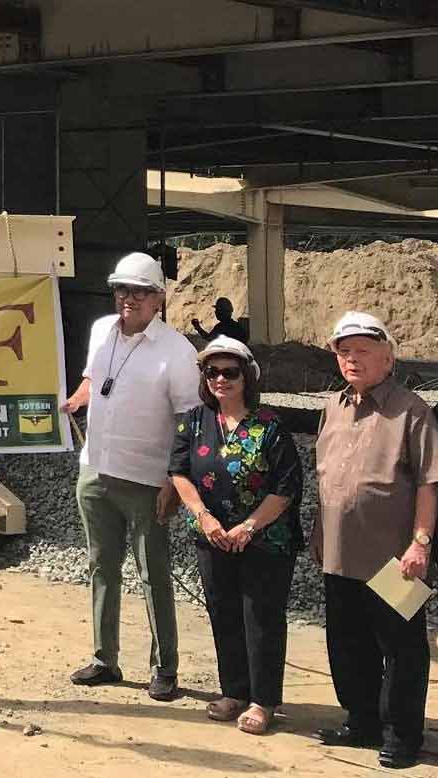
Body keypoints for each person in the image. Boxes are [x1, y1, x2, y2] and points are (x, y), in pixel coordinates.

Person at [59, 250, 200, 699]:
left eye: (140, 291)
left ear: (159, 298)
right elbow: (93, 378)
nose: (129, 298)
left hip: (146, 480)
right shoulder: (102, 331)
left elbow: (189, 421)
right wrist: (75, 400)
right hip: (95, 470)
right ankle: (105, 658)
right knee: (101, 566)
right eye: (122, 289)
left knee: (153, 573)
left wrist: (174, 481)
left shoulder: (177, 351)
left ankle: (165, 668)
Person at [313, 311, 438, 769]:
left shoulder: (412, 411)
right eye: (344, 351)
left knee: (402, 648)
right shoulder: (333, 407)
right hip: (339, 552)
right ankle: (361, 721)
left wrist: (420, 543)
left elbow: (429, 482)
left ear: (387, 358)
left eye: (363, 351)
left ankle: (403, 734)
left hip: (394, 560)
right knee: (348, 644)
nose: (352, 359)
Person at [167, 338, 304, 735]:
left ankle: (264, 701)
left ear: (247, 377)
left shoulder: (270, 425)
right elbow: (179, 472)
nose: (220, 379)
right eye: (212, 372)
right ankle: (234, 691)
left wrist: (248, 527)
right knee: (223, 612)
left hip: (265, 539)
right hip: (213, 536)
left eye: (230, 372)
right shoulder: (194, 421)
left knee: (261, 618)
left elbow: (286, 486)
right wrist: (204, 517)